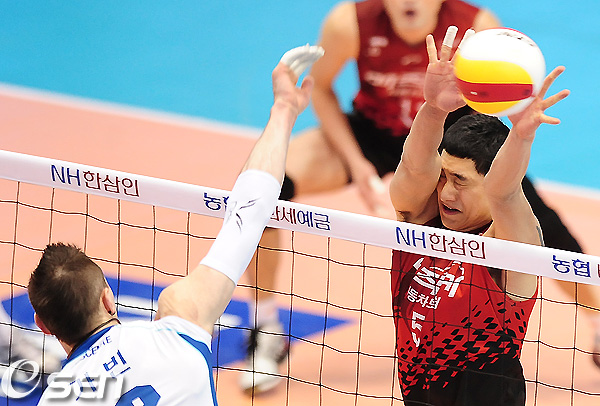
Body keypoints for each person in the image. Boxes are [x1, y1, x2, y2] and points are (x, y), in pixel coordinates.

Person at [240, 0, 599, 394]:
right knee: (268, 189)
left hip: (451, 141)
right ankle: (265, 326)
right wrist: (357, 163)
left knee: (538, 224)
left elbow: (498, 174)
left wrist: (515, 135)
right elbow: (322, 89)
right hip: (374, 132)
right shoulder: (349, 23)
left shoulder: (478, 29)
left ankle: (598, 320)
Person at [26, 44, 322, 405]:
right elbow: (250, 210)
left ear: (43, 326)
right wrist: (284, 108)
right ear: (108, 298)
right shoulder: (180, 322)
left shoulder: (56, 400)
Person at [388, 26, 568, 405]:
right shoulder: (420, 228)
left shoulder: (508, 248)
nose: (445, 193)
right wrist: (434, 109)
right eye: (444, 177)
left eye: (461, 181)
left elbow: (504, 192)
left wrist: (521, 136)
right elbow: (415, 169)